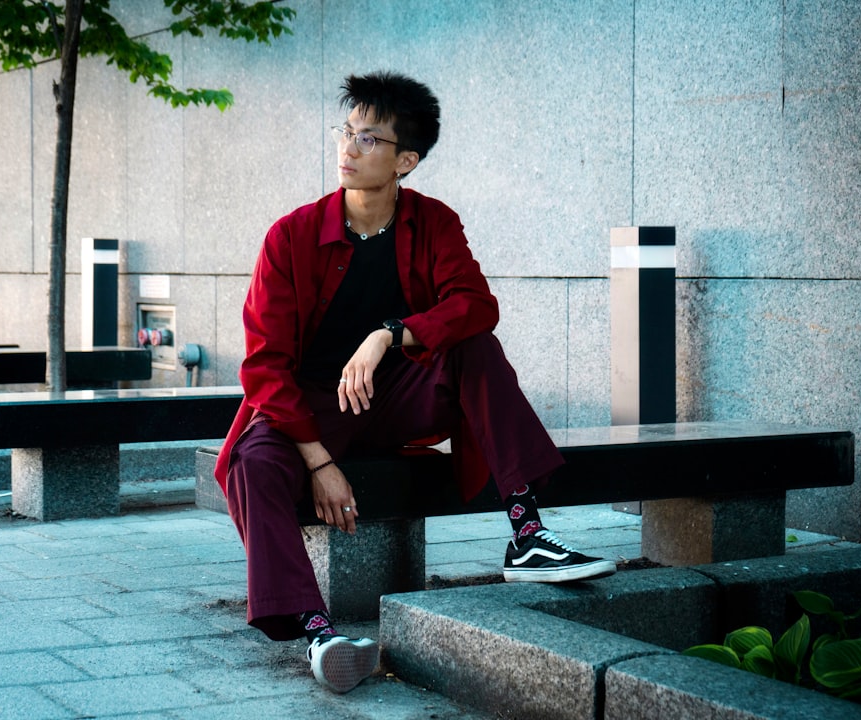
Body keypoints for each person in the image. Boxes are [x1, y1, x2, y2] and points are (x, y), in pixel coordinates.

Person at [215, 71, 616, 694]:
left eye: (368, 139)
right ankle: (318, 631)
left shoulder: (433, 223)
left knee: (474, 348)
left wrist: (388, 334)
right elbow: (264, 366)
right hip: (311, 410)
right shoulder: (290, 237)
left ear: (406, 160)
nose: (347, 149)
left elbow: (476, 305)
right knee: (253, 460)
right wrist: (319, 462)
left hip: (399, 397)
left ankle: (528, 535)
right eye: (345, 133)